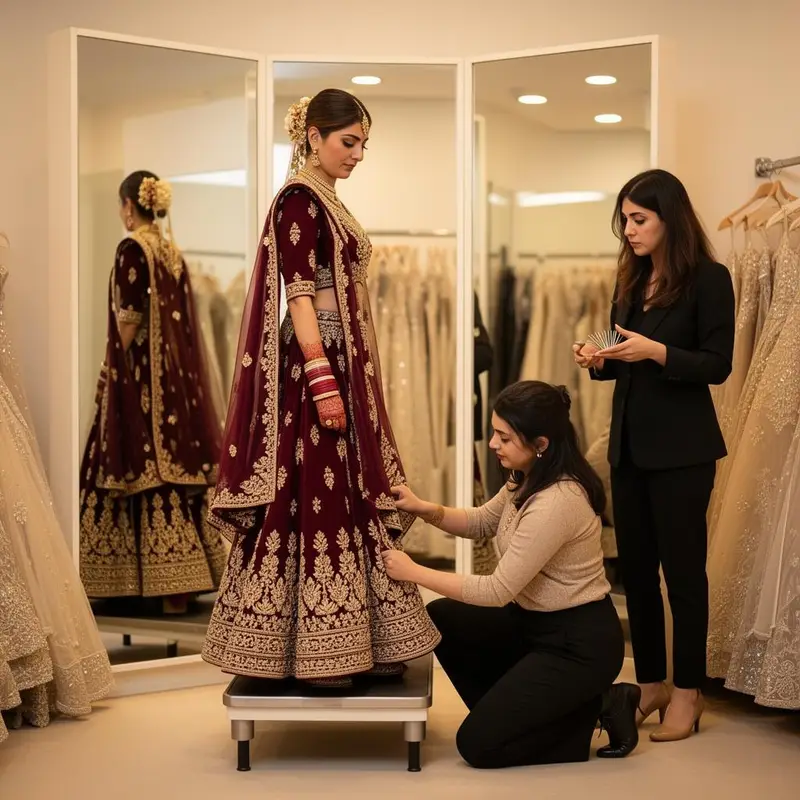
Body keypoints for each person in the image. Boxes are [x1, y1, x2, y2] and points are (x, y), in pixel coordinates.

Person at [201, 90, 440, 688]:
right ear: (313, 135)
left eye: (363, 144)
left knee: (348, 491)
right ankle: (315, 648)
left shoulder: (328, 199)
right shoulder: (300, 201)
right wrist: (320, 375)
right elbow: (300, 294)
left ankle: (358, 637)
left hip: (343, 362)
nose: (357, 154)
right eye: (348, 142)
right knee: (313, 494)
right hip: (317, 368)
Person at [382, 381, 639, 768]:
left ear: (540, 442)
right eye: (494, 433)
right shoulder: (527, 475)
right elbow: (482, 521)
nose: (492, 444)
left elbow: (496, 590)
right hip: (531, 622)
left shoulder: (558, 501)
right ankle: (516, 716)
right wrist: (422, 507)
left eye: (503, 437)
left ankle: (602, 706)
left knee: (477, 746)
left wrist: (414, 572)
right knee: (445, 618)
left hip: (577, 644)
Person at [573, 168, 735, 742]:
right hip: (630, 449)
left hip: (684, 452)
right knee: (635, 575)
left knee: (683, 577)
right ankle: (652, 684)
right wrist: (601, 359)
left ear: (671, 219)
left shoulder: (709, 279)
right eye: (624, 220)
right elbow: (625, 365)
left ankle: (688, 694)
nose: (629, 230)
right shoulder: (631, 282)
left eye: (639, 219)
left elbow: (717, 364)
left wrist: (658, 351)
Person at [79, 171, 227, 615]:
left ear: (129, 205)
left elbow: (128, 316)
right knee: (172, 469)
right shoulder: (171, 251)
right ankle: (177, 589)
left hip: (140, 379)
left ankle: (125, 583)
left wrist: (110, 369)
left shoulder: (132, 248)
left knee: (130, 462)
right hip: (174, 385)